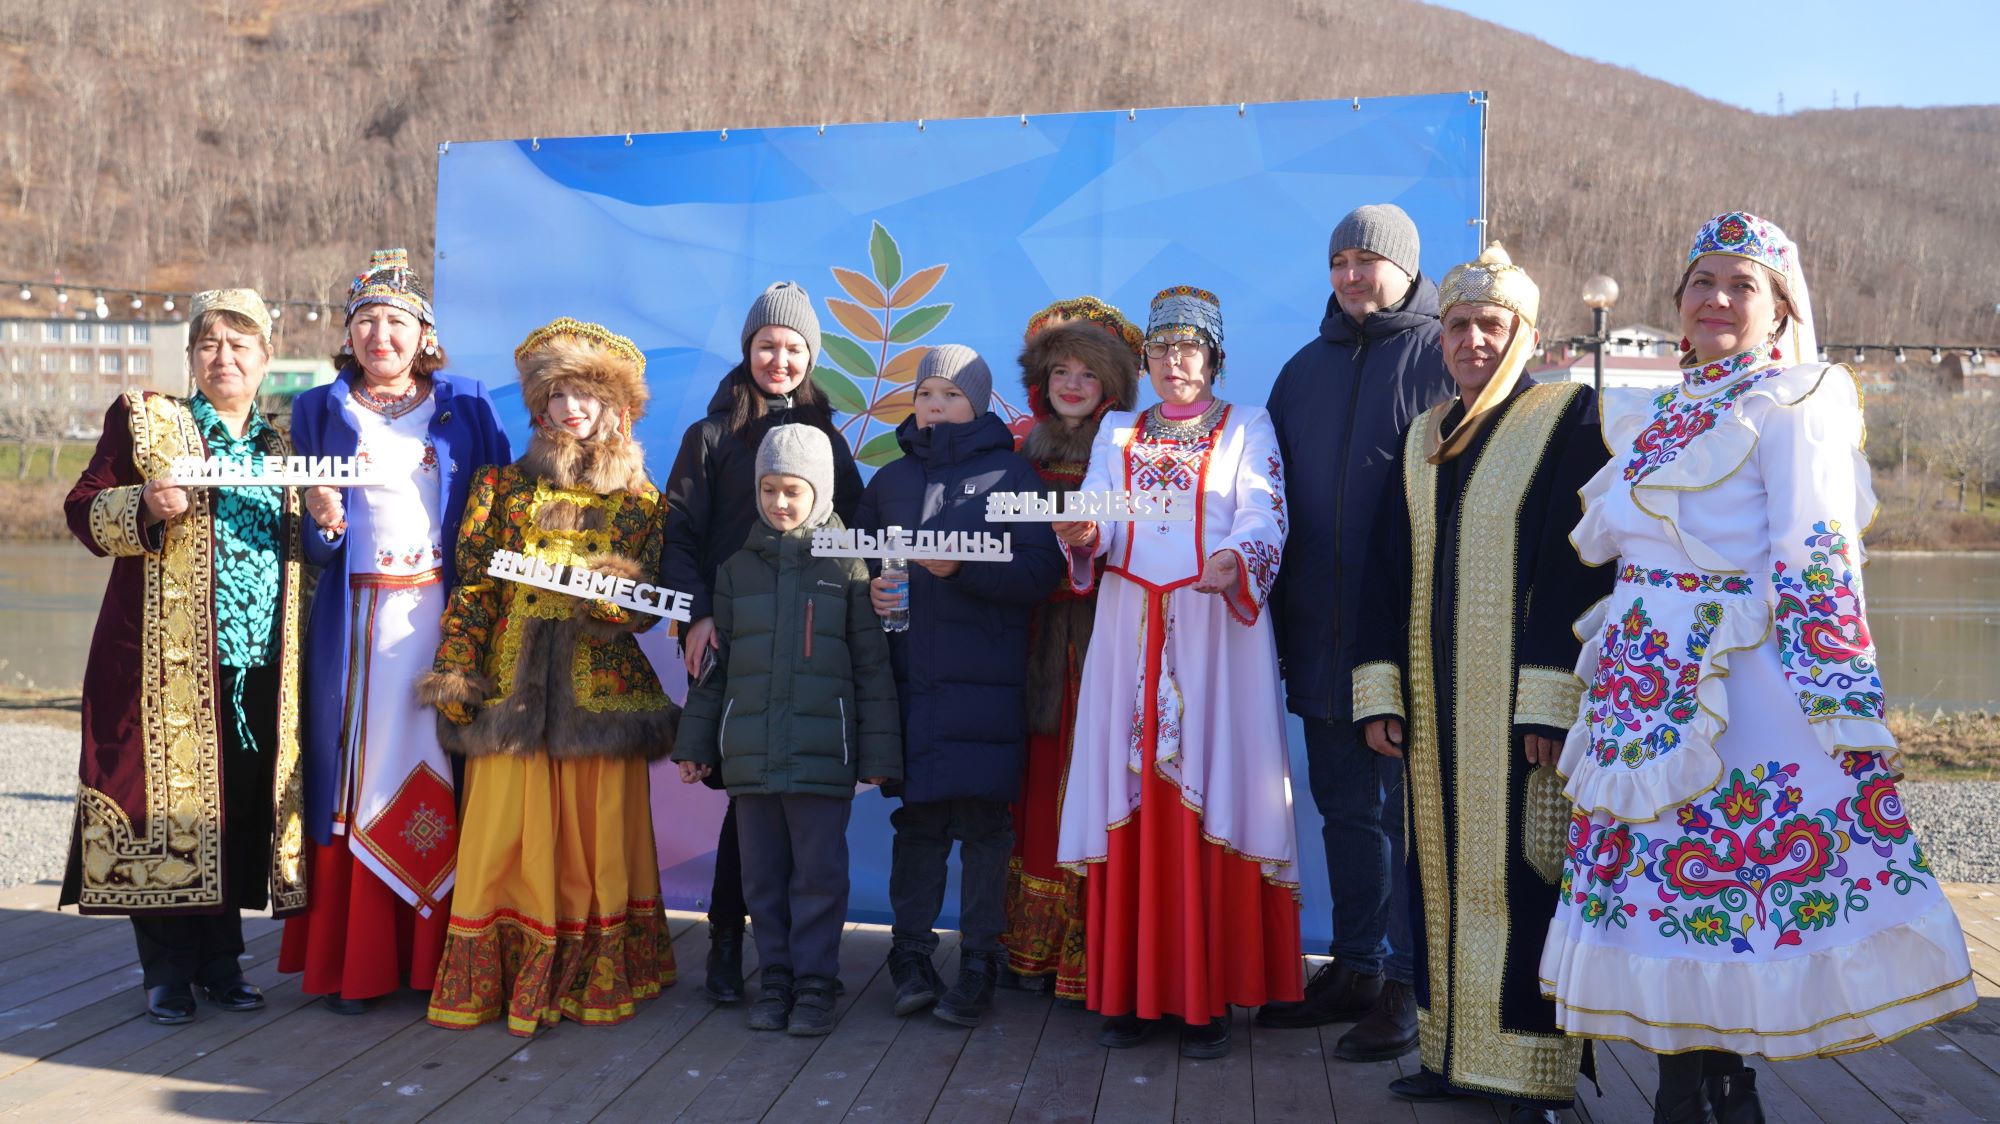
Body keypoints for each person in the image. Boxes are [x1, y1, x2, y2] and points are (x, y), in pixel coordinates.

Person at [1539, 213, 1978, 1122]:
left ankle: (1729, 1088)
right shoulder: (1660, 413)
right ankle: (1681, 1085)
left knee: (1737, 887)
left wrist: (1846, 704)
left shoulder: (1800, 396)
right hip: (1642, 684)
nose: (1717, 299)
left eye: (1743, 284)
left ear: (1781, 309)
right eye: (1703, 282)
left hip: (1742, 684)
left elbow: (1814, 553)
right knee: (1667, 888)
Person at [1351, 245, 1609, 1120]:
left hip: (1514, 714)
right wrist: (1379, 691)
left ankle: (1529, 1071)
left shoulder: (1566, 417)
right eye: (1458, 326)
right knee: (1435, 880)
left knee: (1525, 877)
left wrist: (1548, 698)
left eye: (1489, 327)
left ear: (1523, 335)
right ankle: (1451, 1053)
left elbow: (1578, 573)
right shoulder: (1425, 435)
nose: (1471, 341)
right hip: (1431, 706)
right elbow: (1384, 573)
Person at [1054, 286, 1301, 1060]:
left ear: (1215, 356)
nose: (1175, 363)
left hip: (1212, 633)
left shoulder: (1247, 425)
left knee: (1213, 786)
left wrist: (1237, 558)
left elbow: (1265, 511)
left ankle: (1206, 998)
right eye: (1162, 350)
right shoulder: (1118, 430)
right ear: (1146, 359)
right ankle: (1131, 991)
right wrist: (1084, 530)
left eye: (1190, 349)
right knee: (1130, 791)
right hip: (1131, 631)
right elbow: (1099, 511)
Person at [418, 317, 678, 1035]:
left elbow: (649, 610)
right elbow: (472, 589)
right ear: (538, 404)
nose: (571, 410)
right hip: (511, 690)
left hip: (599, 694)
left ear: (615, 408)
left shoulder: (642, 503)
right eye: (558, 395)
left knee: (597, 845)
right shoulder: (499, 487)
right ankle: (506, 977)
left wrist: (612, 593)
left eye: (586, 396)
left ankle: (593, 977)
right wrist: (456, 670)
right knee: (506, 837)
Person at [62, 288, 307, 1024]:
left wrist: (326, 516)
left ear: (265, 358)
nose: (223, 358)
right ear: (191, 355)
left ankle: (223, 962)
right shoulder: (146, 420)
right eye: (209, 345)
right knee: (163, 810)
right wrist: (143, 507)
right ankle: (165, 971)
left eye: (240, 345)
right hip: (158, 667)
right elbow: (83, 508)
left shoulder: (283, 447)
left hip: (258, 664)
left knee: (234, 811)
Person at [278, 249, 511, 1014]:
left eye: (398, 321)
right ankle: (362, 956)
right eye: (367, 321)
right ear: (349, 333)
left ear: (425, 335)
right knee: (355, 774)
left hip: (443, 621)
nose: (382, 334)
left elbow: (498, 514)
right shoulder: (317, 408)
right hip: (357, 628)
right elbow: (314, 544)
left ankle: (443, 954)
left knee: (447, 770)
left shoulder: (468, 406)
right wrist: (321, 522)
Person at [1258, 204, 1453, 1060]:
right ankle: (1358, 966)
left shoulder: (1448, 355)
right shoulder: (1301, 371)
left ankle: (1414, 984)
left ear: (1406, 268)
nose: (1350, 274)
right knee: (1343, 808)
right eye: (1339, 260)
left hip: (1408, 635)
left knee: (1411, 817)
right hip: (1317, 629)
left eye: (1367, 259)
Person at [661, 281, 864, 1004]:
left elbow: (856, 537)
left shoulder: (830, 439)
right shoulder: (710, 436)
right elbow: (679, 533)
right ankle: (726, 942)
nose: (779, 359)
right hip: (730, 636)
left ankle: (792, 964)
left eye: (794, 348)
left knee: (784, 813)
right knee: (740, 795)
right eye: (767, 345)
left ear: (811, 357)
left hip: (808, 645)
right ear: (747, 349)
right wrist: (698, 615)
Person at [857, 345, 1064, 1028]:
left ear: (978, 402)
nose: (936, 406)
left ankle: (978, 963)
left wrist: (960, 572)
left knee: (982, 827)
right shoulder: (886, 480)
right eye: (925, 394)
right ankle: (909, 959)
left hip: (986, 684)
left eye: (951, 393)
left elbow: (1039, 576)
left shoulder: (1014, 476)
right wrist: (875, 596)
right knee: (916, 825)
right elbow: (854, 568)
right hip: (911, 681)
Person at [673, 424, 902, 1037]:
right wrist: (695, 746)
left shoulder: (848, 566)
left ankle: (815, 981)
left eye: (793, 490)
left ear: (820, 492)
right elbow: (714, 674)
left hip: (823, 759)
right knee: (762, 879)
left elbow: (871, 670)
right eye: (769, 489)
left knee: (819, 877)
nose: (779, 502)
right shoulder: (734, 571)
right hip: (750, 760)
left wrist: (878, 755)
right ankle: (774, 976)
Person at [997, 298, 1143, 1001]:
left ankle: (1095, 945)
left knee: (1101, 786)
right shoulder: (1016, 450)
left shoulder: (1133, 454)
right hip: (1029, 646)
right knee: (1033, 787)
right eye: (1061, 369)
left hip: (1106, 646)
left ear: (1112, 384)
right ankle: (1031, 946)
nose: (1074, 383)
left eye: (1089, 371)